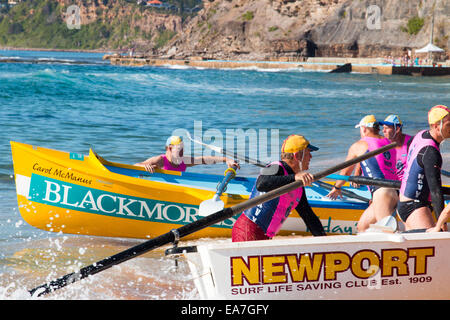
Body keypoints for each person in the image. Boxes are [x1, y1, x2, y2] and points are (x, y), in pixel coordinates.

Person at [231, 134, 326, 242]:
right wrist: (294, 177)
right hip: (247, 231)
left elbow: (309, 217)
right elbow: (261, 183)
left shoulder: (297, 185)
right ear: (297, 156)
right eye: (309, 153)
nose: (311, 157)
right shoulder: (275, 166)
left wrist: (325, 242)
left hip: (265, 236)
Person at [327, 115, 397, 232]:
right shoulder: (389, 142)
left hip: (382, 192)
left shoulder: (359, 145)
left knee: (388, 232)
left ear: (364, 128)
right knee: (363, 227)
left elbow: (345, 171)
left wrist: (337, 187)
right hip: (395, 190)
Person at [398, 105, 450, 231]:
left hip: (405, 201)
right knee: (437, 245)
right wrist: (442, 224)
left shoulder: (421, 135)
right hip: (415, 208)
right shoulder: (431, 152)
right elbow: (436, 191)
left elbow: (410, 148)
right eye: (448, 124)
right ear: (436, 126)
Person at [135, 135, 239, 172]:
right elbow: (135, 166)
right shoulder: (160, 160)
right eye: (179, 149)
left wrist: (226, 159)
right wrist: (144, 166)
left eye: (183, 149)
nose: (182, 152)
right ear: (170, 149)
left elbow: (204, 159)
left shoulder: (184, 161)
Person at [379, 114, 412, 181]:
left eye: (387, 128)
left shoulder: (411, 142)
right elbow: (366, 153)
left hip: (406, 183)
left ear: (397, 129)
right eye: (383, 128)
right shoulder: (382, 143)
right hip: (388, 183)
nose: (383, 131)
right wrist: (357, 173)